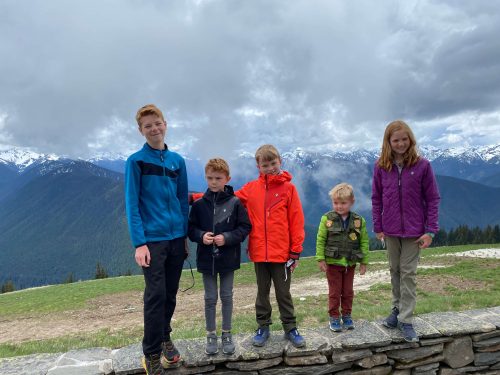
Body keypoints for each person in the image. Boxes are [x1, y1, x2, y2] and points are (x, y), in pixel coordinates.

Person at [125, 104, 188, 375]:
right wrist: (139, 243)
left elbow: (182, 202)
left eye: (157, 123)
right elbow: (132, 204)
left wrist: (184, 236)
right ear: (141, 131)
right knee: (155, 296)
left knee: (170, 294)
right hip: (152, 241)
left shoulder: (178, 161)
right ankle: (151, 353)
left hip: (176, 239)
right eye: (147, 125)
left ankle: (165, 337)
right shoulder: (136, 161)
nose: (154, 128)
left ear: (165, 124)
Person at [372, 120, 440, 343]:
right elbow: (376, 198)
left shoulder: (422, 166)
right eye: (395, 140)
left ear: (410, 139)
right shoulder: (381, 166)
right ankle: (396, 309)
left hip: (414, 231)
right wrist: (378, 226)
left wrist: (430, 230)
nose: (400, 143)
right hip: (390, 229)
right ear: (388, 142)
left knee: (408, 273)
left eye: (404, 139)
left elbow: (432, 199)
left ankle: (406, 319)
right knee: (395, 271)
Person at [237, 144, 306, 348]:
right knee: (262, 292)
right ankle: (263, 326)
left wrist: (295, 251)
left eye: (273, 163)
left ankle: (290, 327)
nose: (270, 168)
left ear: (280, 161)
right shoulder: (250, 189)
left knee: (283, 293)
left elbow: (296, 220)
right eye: (265, 165)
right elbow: (225, 199)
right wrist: (195, 198)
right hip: (259, 252)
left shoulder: (289, 189)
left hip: (283, 253)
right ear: (258, 166)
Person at [188, 158, 251, 356]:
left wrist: (228, 237)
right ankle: (211, 335)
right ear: (205, 178)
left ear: (227, 179)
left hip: (228, 258)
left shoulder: (235, 203)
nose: (213, 182)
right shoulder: (198, 205)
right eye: (209, 178)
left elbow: (245, 227)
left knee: (226, 296)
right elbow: (190, 228)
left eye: (218, 178)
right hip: (207, 259)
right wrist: (201, 236)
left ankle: (226, 333)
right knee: (209, 297)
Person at [315, 183, 369, 332]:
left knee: (348, 291)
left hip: (350, 264)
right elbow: (320, 240)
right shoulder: (327, 219)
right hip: (333, 263)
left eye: (343, 203)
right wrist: (320, 259)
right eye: (335, 203)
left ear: (352, 202)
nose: (339, 206)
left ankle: (347, 316)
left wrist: (363, 262)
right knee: (334, 292)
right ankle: (333, 317)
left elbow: (364, 241)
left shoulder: (359, 221)